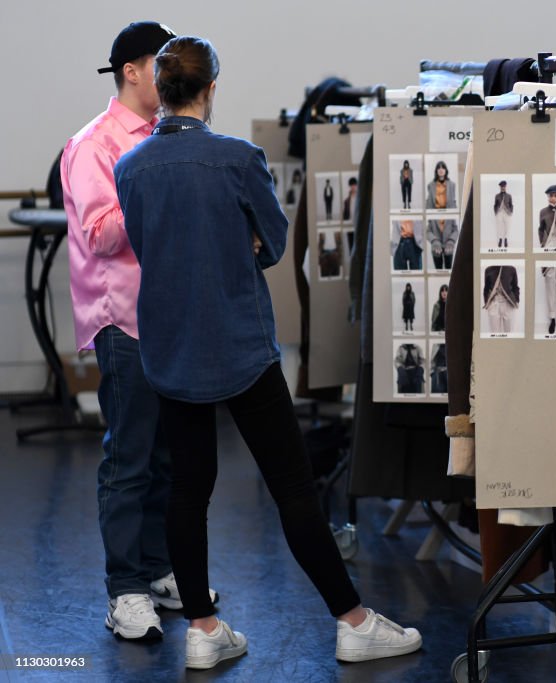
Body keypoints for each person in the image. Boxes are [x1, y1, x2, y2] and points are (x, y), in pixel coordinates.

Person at [114, 35, 421, 670]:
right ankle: (354, 621)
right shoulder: (239, 159)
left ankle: (201, 629)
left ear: (161, 92)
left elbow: (148, 248)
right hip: (241, 346)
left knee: (186, 492)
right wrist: (240, 243)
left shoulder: (130, 168)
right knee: (293, 489)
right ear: (210, 90)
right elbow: (275, 243)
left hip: (171, 349)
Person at [62, 20, 214, 642]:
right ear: (132, 70)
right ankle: (124, 589)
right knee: (128, 460)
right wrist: (161, 186)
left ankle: (157, 572)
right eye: (162, 61)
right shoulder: (95, 144)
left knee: (168, 458)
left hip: (173, 317)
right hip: (123, 322)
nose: (173, 71)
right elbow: (100, 234)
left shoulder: (165, 135)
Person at [482, 265, 519, 334]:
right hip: (494, 303)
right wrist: (487, 303)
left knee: (509, 333)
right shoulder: (488, 269)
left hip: (509, 303)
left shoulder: (511, 269)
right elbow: (486, 289)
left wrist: (516, 300)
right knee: (494, 333)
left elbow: (515, 287)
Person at [493, 179, 513, 248]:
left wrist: (511, 212)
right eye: (501, 186)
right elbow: (495, 205)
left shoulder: (509, 196)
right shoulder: (497, 196)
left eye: (504, 186)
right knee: (500, 227)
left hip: (507, 213)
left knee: (507, 227)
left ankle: (506, 240)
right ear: (500, 187)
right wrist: (496, 212)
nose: (503, 187)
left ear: (505, 186)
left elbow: (511, 204)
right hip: (499, 213)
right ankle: (500, 240)